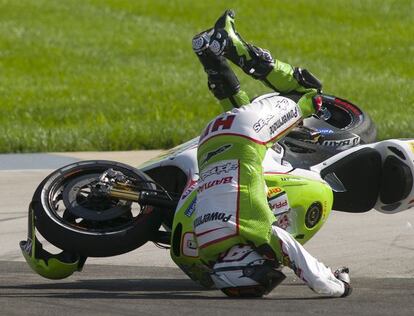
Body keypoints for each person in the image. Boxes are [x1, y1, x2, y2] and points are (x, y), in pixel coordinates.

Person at [191, 10, 352, 298]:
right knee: (249, 150)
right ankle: (210, 55)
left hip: (246, 134)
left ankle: (233, 45)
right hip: (208, 144)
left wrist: (336, 284)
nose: (270, 262)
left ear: (245, 263)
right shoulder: (205, 250)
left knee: (307, 92)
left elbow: (302, 263)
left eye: (264, 268)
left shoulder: (254, 228)